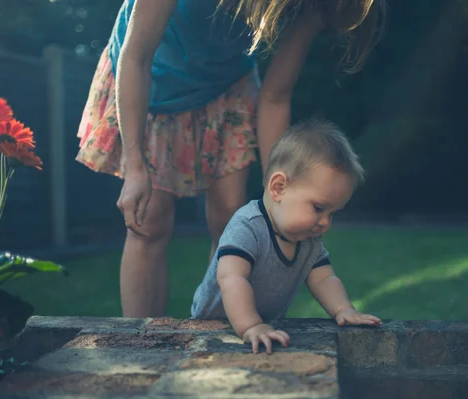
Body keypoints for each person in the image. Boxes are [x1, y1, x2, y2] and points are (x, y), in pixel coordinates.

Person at [75, 0, 386, 318]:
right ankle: (139, 345)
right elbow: (137, 56)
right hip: (149, 80)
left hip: (227, 83)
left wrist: (279, 195)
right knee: (148, 218)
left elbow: (275, 96)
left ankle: (224, 332)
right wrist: (135, 167)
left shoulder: (310, 5)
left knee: (229, 213)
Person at [191, 119, 382, 354]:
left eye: (332, 214)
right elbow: (232, 278)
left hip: (263, 328)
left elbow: (324, 279)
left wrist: (343, 309)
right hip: (213, 326)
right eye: (319, 208)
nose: (325, 222)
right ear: (279, 188)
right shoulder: (247, 225)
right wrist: (251, 324)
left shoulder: (307, 238)